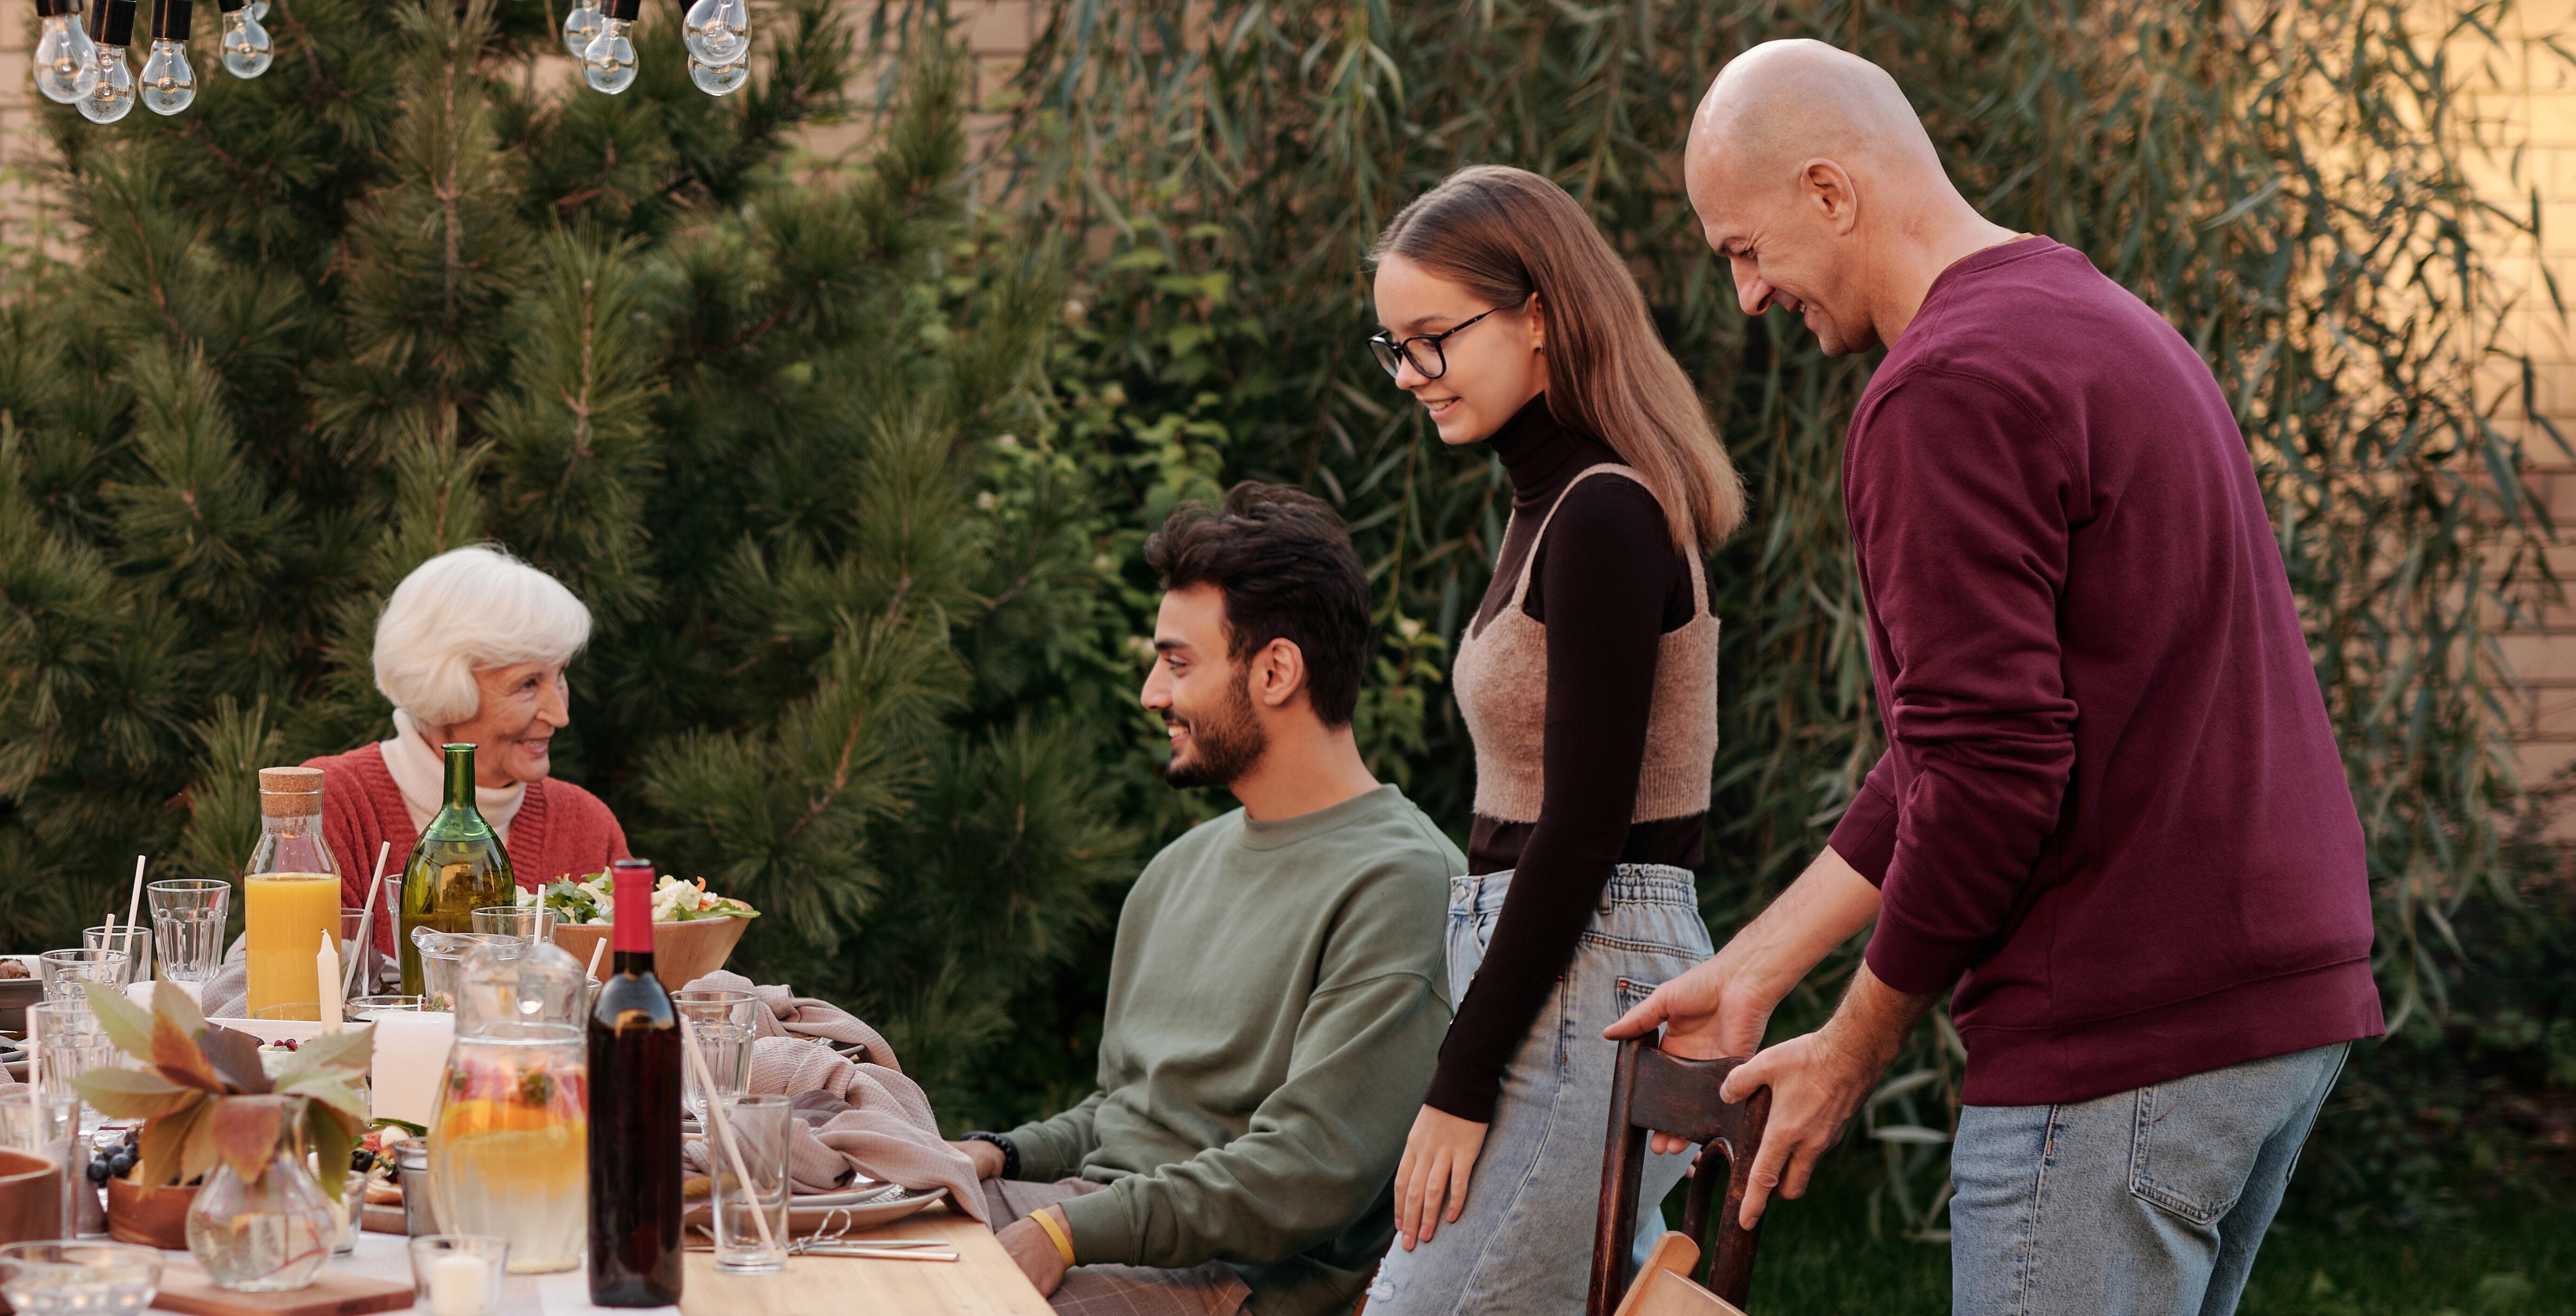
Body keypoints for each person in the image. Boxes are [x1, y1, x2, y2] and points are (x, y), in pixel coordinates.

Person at [1611, 40, 2380, 1315]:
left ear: (1830, 193)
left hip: (2120, 1038)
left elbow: (1991, 772)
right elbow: (1957, 737)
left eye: (1743, 249)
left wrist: (1852, 1047)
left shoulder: (1944, 390)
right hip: (2262, 1020)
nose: (1746, 294)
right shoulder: (2097, 323)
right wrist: (1757, 967)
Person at [1357, 166, 1743, 1313]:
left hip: (1587, 957)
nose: (1412, 375)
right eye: (1392, 347)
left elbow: (1579, 831)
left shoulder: (1604, 512)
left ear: (1537, 316)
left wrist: (1458, 1083)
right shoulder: (1552, 503)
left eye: (1433, 338)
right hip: (1563, 960)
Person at [957, 484, 1455, 1316]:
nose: (1154, 693)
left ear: (1275, 670)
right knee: (825, 1249)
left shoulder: (1402, 884)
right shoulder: (1177, 869)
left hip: (1228, 1281)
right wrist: (1000, 1154)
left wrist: (1066, 1231)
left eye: (1178, 662)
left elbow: (1304, 1174)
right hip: (1100, 1221)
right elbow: (1127, 1116)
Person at [302, 545, 634, 910]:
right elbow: (271, 961)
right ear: (441, 687)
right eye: (528, 684)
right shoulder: (331, 805)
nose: (559, 716)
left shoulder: (586, 826)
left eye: (560, 676)